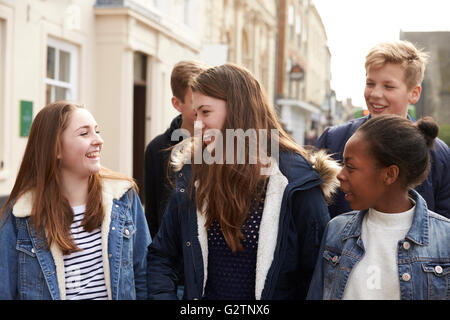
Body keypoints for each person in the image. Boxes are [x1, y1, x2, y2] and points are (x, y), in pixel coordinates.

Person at [147, 63, 341, 300]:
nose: (197, 124)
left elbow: (319, 277)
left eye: (206, 112)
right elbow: (162, 256)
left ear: (239, 110)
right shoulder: (192, 174)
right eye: (195, 114)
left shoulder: (297, 182)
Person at [0, 101, 151, 300]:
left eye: (97, 131)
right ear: (56, 149)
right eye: (84, 133)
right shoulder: (20, 216)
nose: (98, 140)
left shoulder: (124, 197)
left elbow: (143, 276)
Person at [307, 114, 450, 300]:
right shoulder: (336, 231)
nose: (340, 175)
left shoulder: (445, 240)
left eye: (350, 167)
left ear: (389, 174)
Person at [315, 40, 450, 218]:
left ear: (414, 93)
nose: (375, 94)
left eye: (388, 86)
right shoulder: (334, 140)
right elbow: (314, 213)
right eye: (370, 84)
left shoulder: (438, 154)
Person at [144, 60, 208, 237]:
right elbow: (153, 218)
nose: (203, 106)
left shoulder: (223, 144)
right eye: (195, 101)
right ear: (177, 104)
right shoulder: (156, 150)